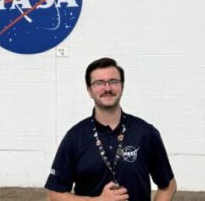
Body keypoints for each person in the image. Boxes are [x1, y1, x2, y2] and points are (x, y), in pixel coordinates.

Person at [46, 57, 176, 201]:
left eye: (113, 81)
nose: (107, 88)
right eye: (99, 83)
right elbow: (55, 194)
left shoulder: (145, 133)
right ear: (89, 90)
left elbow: (168, 186)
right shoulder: (75, 137)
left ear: (122, 86)